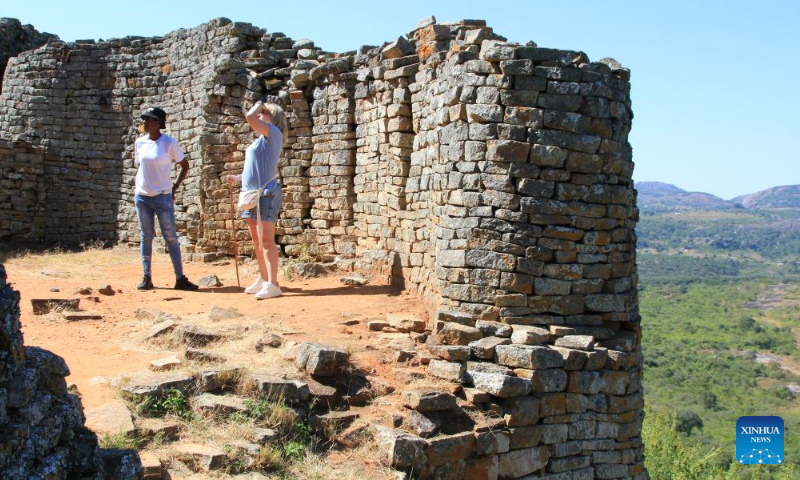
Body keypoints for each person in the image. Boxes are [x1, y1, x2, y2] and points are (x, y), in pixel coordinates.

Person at [226, 99, 286, 299]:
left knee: (267, 240)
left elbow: (249, 117)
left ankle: (273, 284)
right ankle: (263, 278)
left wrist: (259, 101)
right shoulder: (260, 140)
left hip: (266, 193)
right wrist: (237, 178)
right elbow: (254, 169)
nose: (260, 114)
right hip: (252, 194)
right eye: (260, 111)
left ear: (273, 118)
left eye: (264, 112)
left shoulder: (273, 133)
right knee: (257, 240)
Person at [133, 106, 198, 291]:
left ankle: (180, 278)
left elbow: (184, 166)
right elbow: (139, 167)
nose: (145, 122)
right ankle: (147, 277)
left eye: (149, 119)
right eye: (144, 119)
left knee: (170, 237)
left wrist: (175, 187)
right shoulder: (139, 143)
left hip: (162, 196)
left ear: (158, 123)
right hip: (142, 196)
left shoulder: (169, 143)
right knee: (146, 236)